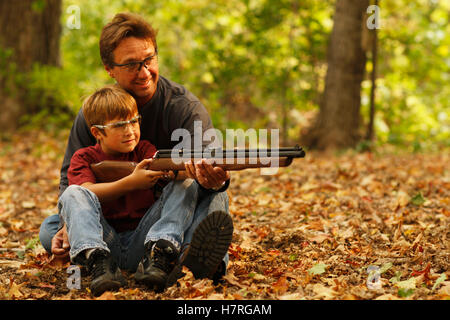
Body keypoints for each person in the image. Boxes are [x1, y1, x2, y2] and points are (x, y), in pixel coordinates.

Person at [39, 12, 233, 293]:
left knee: (214, 197)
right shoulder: (94, 113)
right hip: (108, 225)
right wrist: (71, 222)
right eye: (131, 64)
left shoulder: (184, 108)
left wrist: (215, 179)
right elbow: (69, 183)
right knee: (51, 228)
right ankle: (155, 258)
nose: (144, 72)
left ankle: (190, 258)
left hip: (156, 220)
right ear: (109, 68)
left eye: (149, 59)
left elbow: (206, 173)